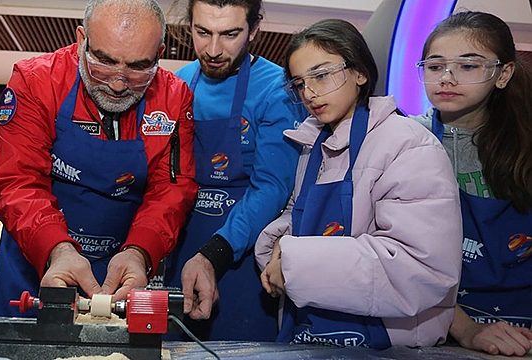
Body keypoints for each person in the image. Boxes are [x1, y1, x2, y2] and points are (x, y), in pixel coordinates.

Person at [254, 19, 463, 349]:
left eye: (321, 75)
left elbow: (420, 268)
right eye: (299, 83)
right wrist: (280, 244)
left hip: (388, 344)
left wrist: (296, 262)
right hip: (310, 332)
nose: (309, 92)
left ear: (361, 73)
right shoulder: (312, 145)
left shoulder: (407, 144)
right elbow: (298, 213)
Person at [0, 0, 197, 317]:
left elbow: (171, 189)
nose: (117, 84)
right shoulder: (36, 82)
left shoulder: (173, 97)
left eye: (139, 68)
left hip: (120, 271)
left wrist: (141, 251)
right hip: (36, 263)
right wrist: (55, 249)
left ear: (160, 54)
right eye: (104, 63)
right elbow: (17, 182)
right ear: (81, 40)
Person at [164, 0, 306, 341]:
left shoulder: (277, 89)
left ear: (253, 29)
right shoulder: (178, 84)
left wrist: (215, 254)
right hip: (185, 247)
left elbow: (271, 188)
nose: (213, 49)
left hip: (244, 254)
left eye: (229, 34)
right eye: (202, 32)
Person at [411, 11, 532, 356]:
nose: (447, 78)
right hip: (442, 324)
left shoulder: (526, 143)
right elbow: (404, 260)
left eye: (468, 66)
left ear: (503, 74)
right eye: (435, 67)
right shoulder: (405, 141)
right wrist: (467, 330)